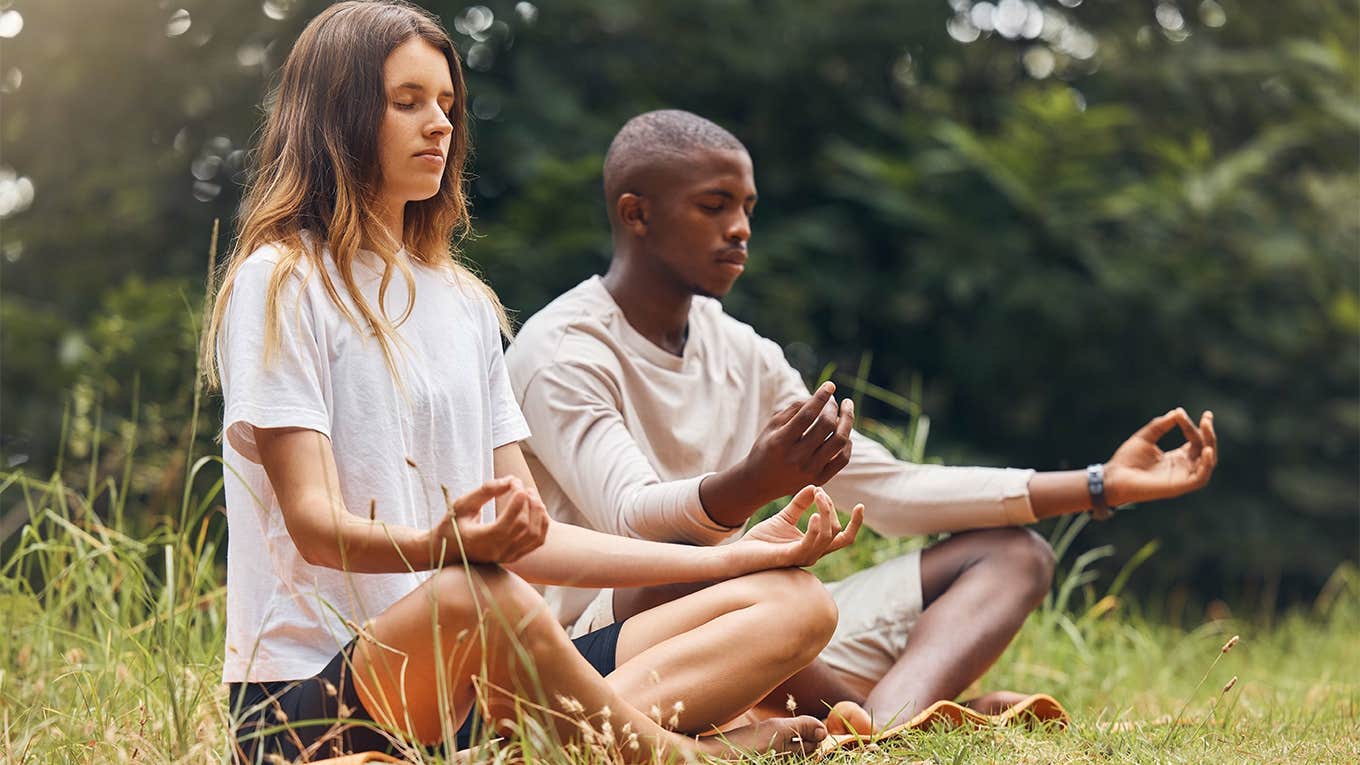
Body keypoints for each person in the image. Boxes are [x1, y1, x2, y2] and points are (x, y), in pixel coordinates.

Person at [203, 10, 864, 762]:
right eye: (407, 101)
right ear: (338, 114)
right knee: (471, 594)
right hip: (312, 703)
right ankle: (682, 754)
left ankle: (533, 751)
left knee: (795, 601)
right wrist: (440, 544)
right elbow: (316, 523)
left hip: (478, 693)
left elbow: (536, 541)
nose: (439, 126)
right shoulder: (283, 280)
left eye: (447, 105)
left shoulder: (464, 303)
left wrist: (732, 558)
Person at [505, 109, 1219, 729]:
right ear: (637, 214)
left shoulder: (739, 350)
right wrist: (753, 482)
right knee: (705, 567)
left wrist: (1098, 485)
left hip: (766, 616)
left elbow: (889, 490)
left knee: (1013, 555)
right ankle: (871, 720)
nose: (742, 228)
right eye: (714, 205)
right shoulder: (563, 349)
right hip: (609, 644)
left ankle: (881, 726)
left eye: (748, 206)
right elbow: (632, 518)